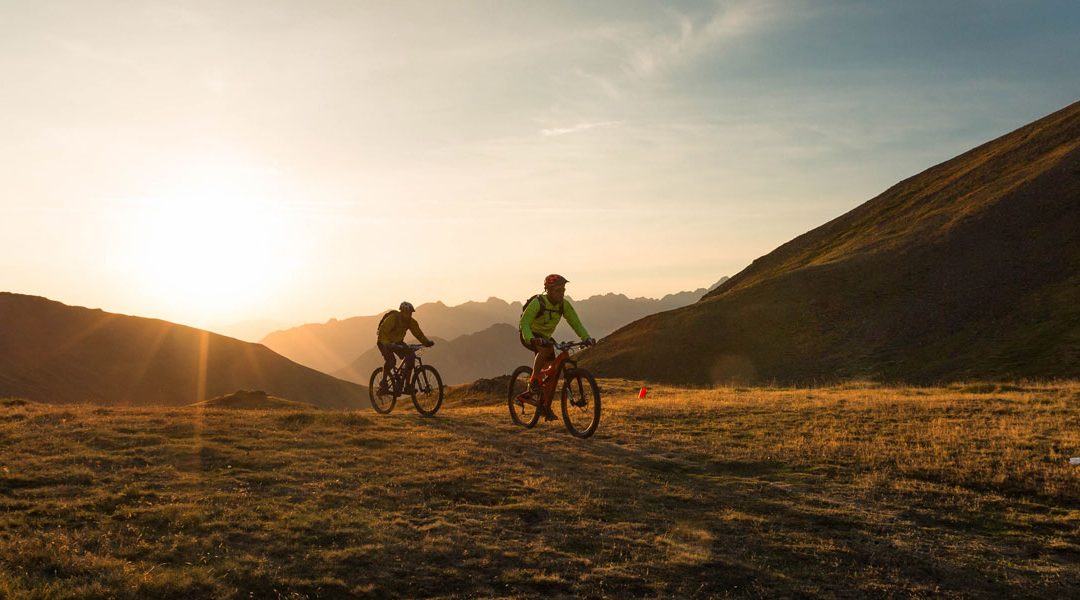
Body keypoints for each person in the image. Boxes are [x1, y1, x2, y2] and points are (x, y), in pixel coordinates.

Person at [519, 274, 595, 420]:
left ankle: (544, 407)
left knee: (551, 374)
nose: (562, 293)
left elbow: (576, 323)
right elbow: (524, 323)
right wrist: (532, 339)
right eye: (558, 290)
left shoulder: (563, 305)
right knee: (546, 350)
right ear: (548, 290)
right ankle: (534, 379)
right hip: (530, 335)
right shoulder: (538, 303)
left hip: (546, 338)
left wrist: (586, 338)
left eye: (563, 290)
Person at [376, 301, 434, 394]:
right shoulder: (393, 319)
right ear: (401, 312)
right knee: (391, 362)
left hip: (398, 342)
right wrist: (388, 344)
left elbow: (418, 334)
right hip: (384, 341)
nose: (409, 315)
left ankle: (407, 386)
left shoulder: (411, 322)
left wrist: (426, 342)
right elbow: (382, 333)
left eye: (410, 313)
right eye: (407, 312)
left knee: (411, 357)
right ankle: (384, 383)